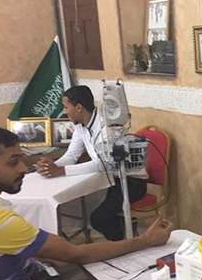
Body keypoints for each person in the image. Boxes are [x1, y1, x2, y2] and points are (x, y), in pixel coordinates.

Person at [0, 126, 174, 280]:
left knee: (77, 265)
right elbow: (76, 253)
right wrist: (146, 240)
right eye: (13, 162)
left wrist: (56, 256)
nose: (23, 168)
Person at [35, 85, 147, 241]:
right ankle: (122, 231)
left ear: (79, 107)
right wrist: (51, 166)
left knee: (99, 219)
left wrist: (60, 170)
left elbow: (103, 163)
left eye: (66, 107)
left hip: (131, 182)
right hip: (110, 179)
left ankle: (121, 245)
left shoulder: (106, 126)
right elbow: (72, 155)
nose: (64, 112)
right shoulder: (80, 126)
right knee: (97, 214)